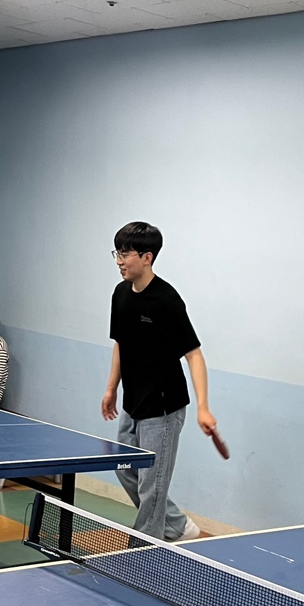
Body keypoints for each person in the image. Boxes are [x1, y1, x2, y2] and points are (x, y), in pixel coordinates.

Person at [100, 222, 218, 541]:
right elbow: (120, 343)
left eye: (125, 254)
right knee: (125, 469)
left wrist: (203, 408)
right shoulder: (120, 294)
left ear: (147, 257)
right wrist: (111, 389)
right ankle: (177, 525)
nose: (119, 261)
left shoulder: (167, 300)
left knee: (152, 486)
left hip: (163, 407)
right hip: (132, 402)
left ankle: (142, 551)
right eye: (117, 253)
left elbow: (194, 354)